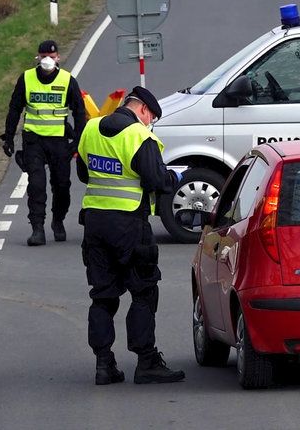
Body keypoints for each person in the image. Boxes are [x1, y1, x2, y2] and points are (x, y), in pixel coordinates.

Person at [76, 86, 185, 385]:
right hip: (130, 226)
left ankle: (104, 364)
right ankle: (147, 361)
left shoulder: (92, 128)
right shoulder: (140, 136)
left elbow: (83, 174)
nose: (150, 124)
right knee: (144, 290)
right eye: (151, 119)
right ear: (145, 111)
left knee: (103, 295)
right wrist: (173, 176)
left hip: (95, 224)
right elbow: (154, 180)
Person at [1, 40, 86, 246]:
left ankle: (58, 220)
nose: (48, 59)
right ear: (37, 57)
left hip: (59, 142)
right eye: (44, 55)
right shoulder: (27, 78)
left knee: (62, 186)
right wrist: (9, 137)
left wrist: (78, 141)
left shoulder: (67, 81)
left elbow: (80, 112)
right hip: (34, 141)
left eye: (52, 56)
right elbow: (15, 108)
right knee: (36, 185)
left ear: (58, 58)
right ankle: (37, 228)